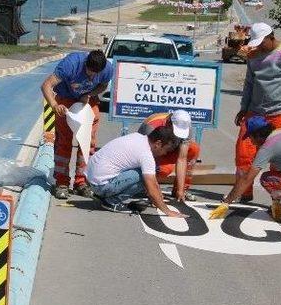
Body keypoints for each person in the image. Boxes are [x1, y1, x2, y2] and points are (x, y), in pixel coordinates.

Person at [234, 22, 281, 202]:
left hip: (280, 113)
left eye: (261, 42)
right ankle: (244, 192)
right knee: (244, 153)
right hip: (254, 112)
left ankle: (279, 197)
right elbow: (249, 84)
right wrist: (243, 108)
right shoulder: (253, 55)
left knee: (278, 158)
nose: (258, 46)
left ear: (271, 37)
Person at [41, 50, 113, 199]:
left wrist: (89, 94)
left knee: (88, 143)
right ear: (85, 64)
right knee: (64, 143)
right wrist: (55, 106)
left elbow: (103, 86)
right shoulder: (71, 64)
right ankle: (62, 183)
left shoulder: (107, 69)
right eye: (89, 72)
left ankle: (82, 182)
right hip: (65, 100)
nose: (92, 76)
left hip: (87, 101)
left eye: (95, 74)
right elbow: (46, 86)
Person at [85, 127, 187, 218]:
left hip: (91, 179)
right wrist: (167, 211)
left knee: (147, 173)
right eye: (166, 150)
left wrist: (158, 195)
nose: (165, 154)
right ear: (158, 144)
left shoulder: (137, 137)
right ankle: (111, 202)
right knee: (146, 177)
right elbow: (152, 187)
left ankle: (104, 194)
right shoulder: (146, 155)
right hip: (101, 186)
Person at [137, 110, 200, 202]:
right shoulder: (152, 126)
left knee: (194, 148)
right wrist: (154, 190)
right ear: (169, 122)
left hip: (168, 149)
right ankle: (145, 186)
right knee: (164, 170)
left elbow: (182, 159)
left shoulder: (186, 127)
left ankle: (179, 191)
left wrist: (180, 189)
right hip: (150, 152)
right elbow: (144, 154)